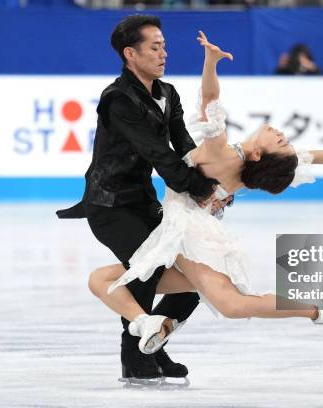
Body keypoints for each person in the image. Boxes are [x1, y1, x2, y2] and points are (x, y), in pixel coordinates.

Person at [88, 32, 323, 362]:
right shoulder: (247, 170)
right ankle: (151, 323)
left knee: (231, 305)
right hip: (181, 232)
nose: (281, 134)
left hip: (188, 234)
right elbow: (309, 156)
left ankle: (320, 312)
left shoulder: (221, 156)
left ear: (259, 154)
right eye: (284, 139)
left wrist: (210, 63)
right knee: (102, 279)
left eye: (280, 141)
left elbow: (209, 101)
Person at [56, 15, 222, 381]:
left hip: (144, 201)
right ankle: (133, 357)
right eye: (154, 47)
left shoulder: (168, 93)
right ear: (131, 54)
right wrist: (199, 189)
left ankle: (155, 343)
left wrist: (213, 184)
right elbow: (156, 152)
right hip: (109, 203)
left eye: (164, 46)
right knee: (146, 271)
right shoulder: (117, 99)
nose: (164, 53)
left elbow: (184, 148)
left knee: (195, 280)